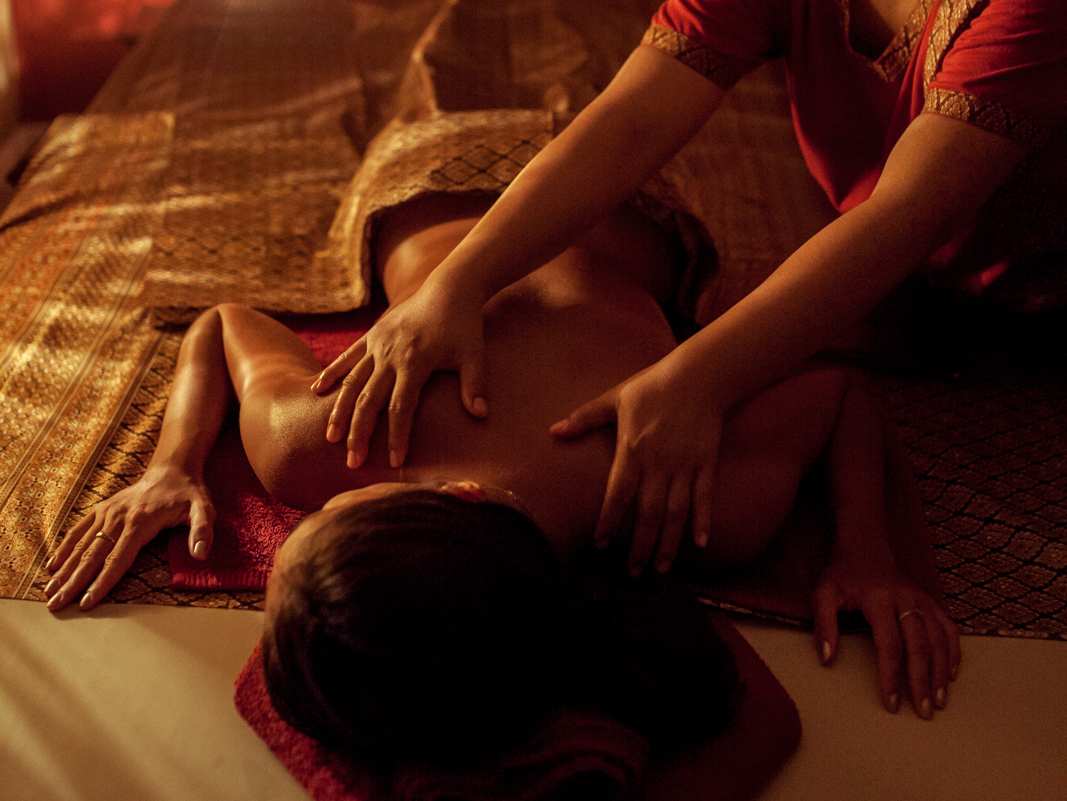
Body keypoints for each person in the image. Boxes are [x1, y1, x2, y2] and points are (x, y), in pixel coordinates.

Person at [44, 191, 958, 734]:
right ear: (457, 492)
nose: (302, 513)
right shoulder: (318, 442)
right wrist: (869, 553)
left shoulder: (704, 513)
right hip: (589, 190)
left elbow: (219, 321)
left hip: (456, 186)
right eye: (323, 522)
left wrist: (171, 463)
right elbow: (842, 390)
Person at [311, 0, 1066, 618]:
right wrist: (458, 281)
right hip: (892, 234)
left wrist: (699, 379)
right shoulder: (724, 515)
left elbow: (905, 216)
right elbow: (633, 118)